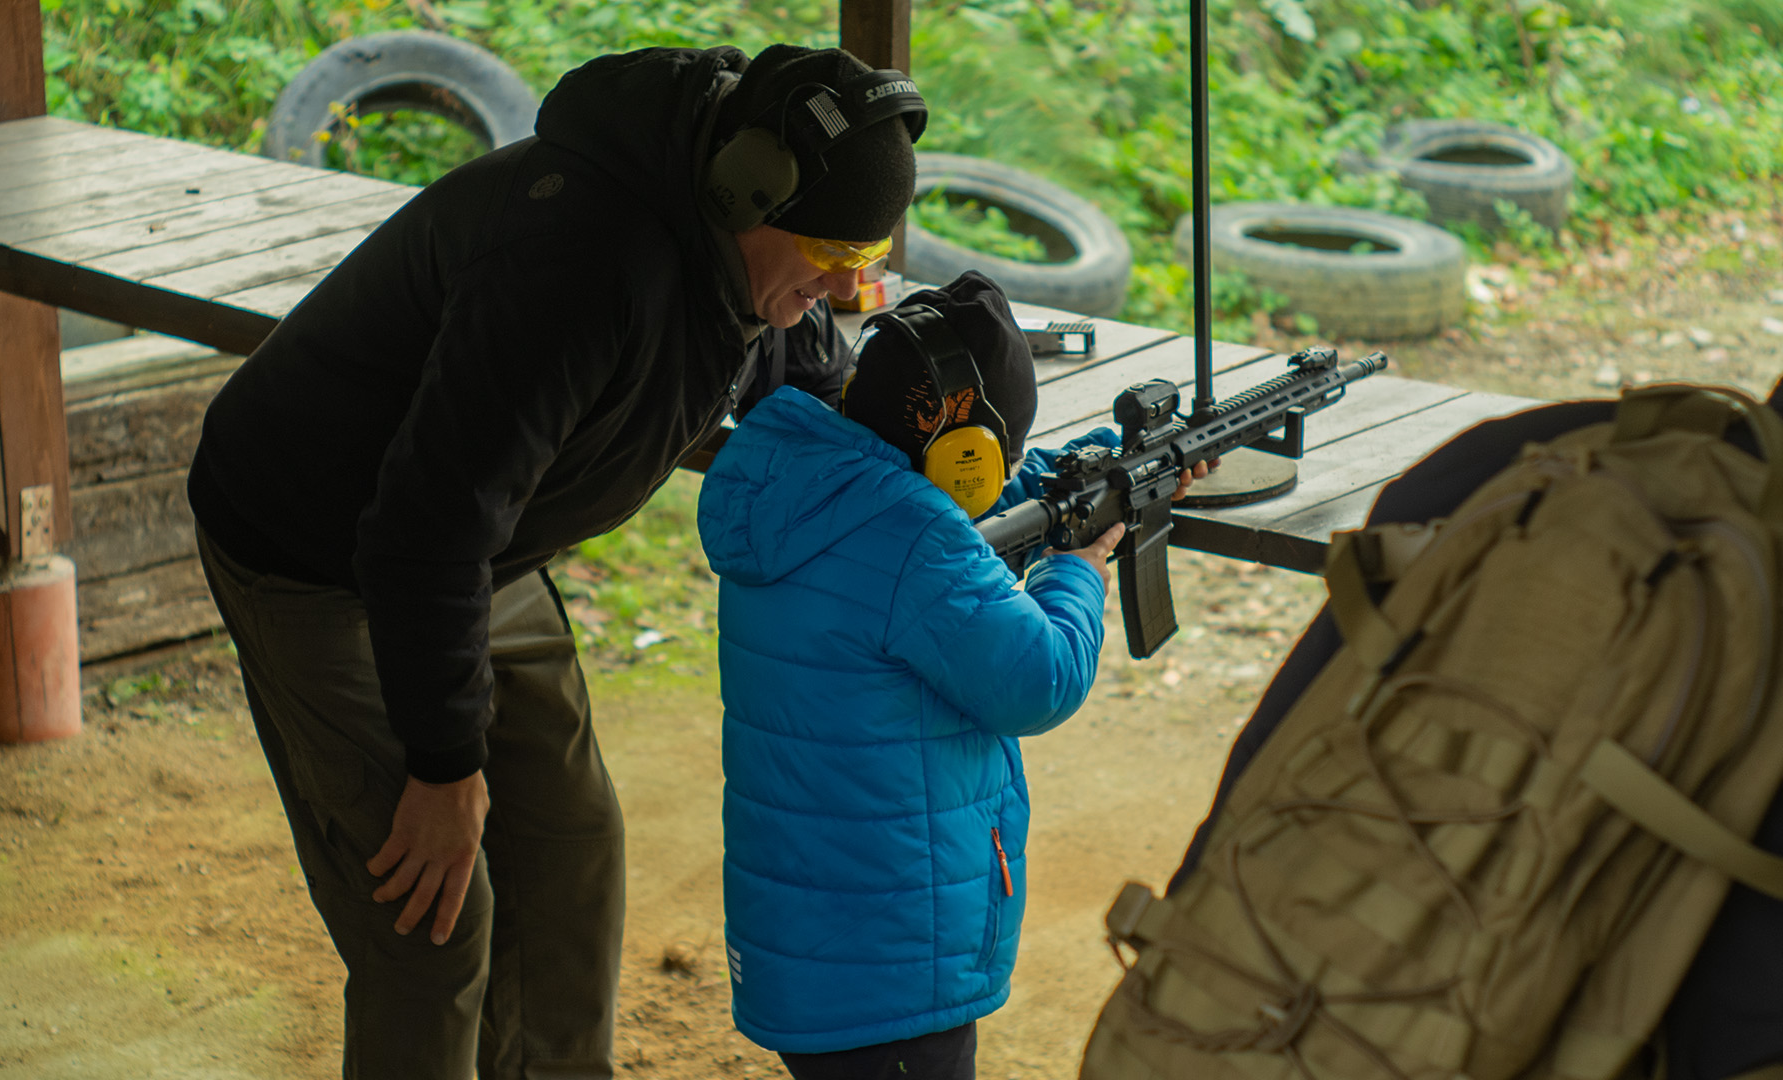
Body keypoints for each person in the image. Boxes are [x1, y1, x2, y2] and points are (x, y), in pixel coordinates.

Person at [186, 41, 929, 1080]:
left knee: (571, 855)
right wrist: (445, 769)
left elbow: (804, 388)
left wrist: (929, 448)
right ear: (744, 191)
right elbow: (424, 529)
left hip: (476, 547)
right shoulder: (579, 265)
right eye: (830, 257)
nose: (846, 288)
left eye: (867, 263)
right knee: (430, 921)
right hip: (320, 546)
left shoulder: (751, 270)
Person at [700, 271, 1200, 1080]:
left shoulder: (805, 483)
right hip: (893, 964)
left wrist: (1091, 475)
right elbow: (1039, 679)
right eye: (995, 454)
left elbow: (974, 511)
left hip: (812, 942)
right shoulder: (913, 537)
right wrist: (1081, 564)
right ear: (958, 445)